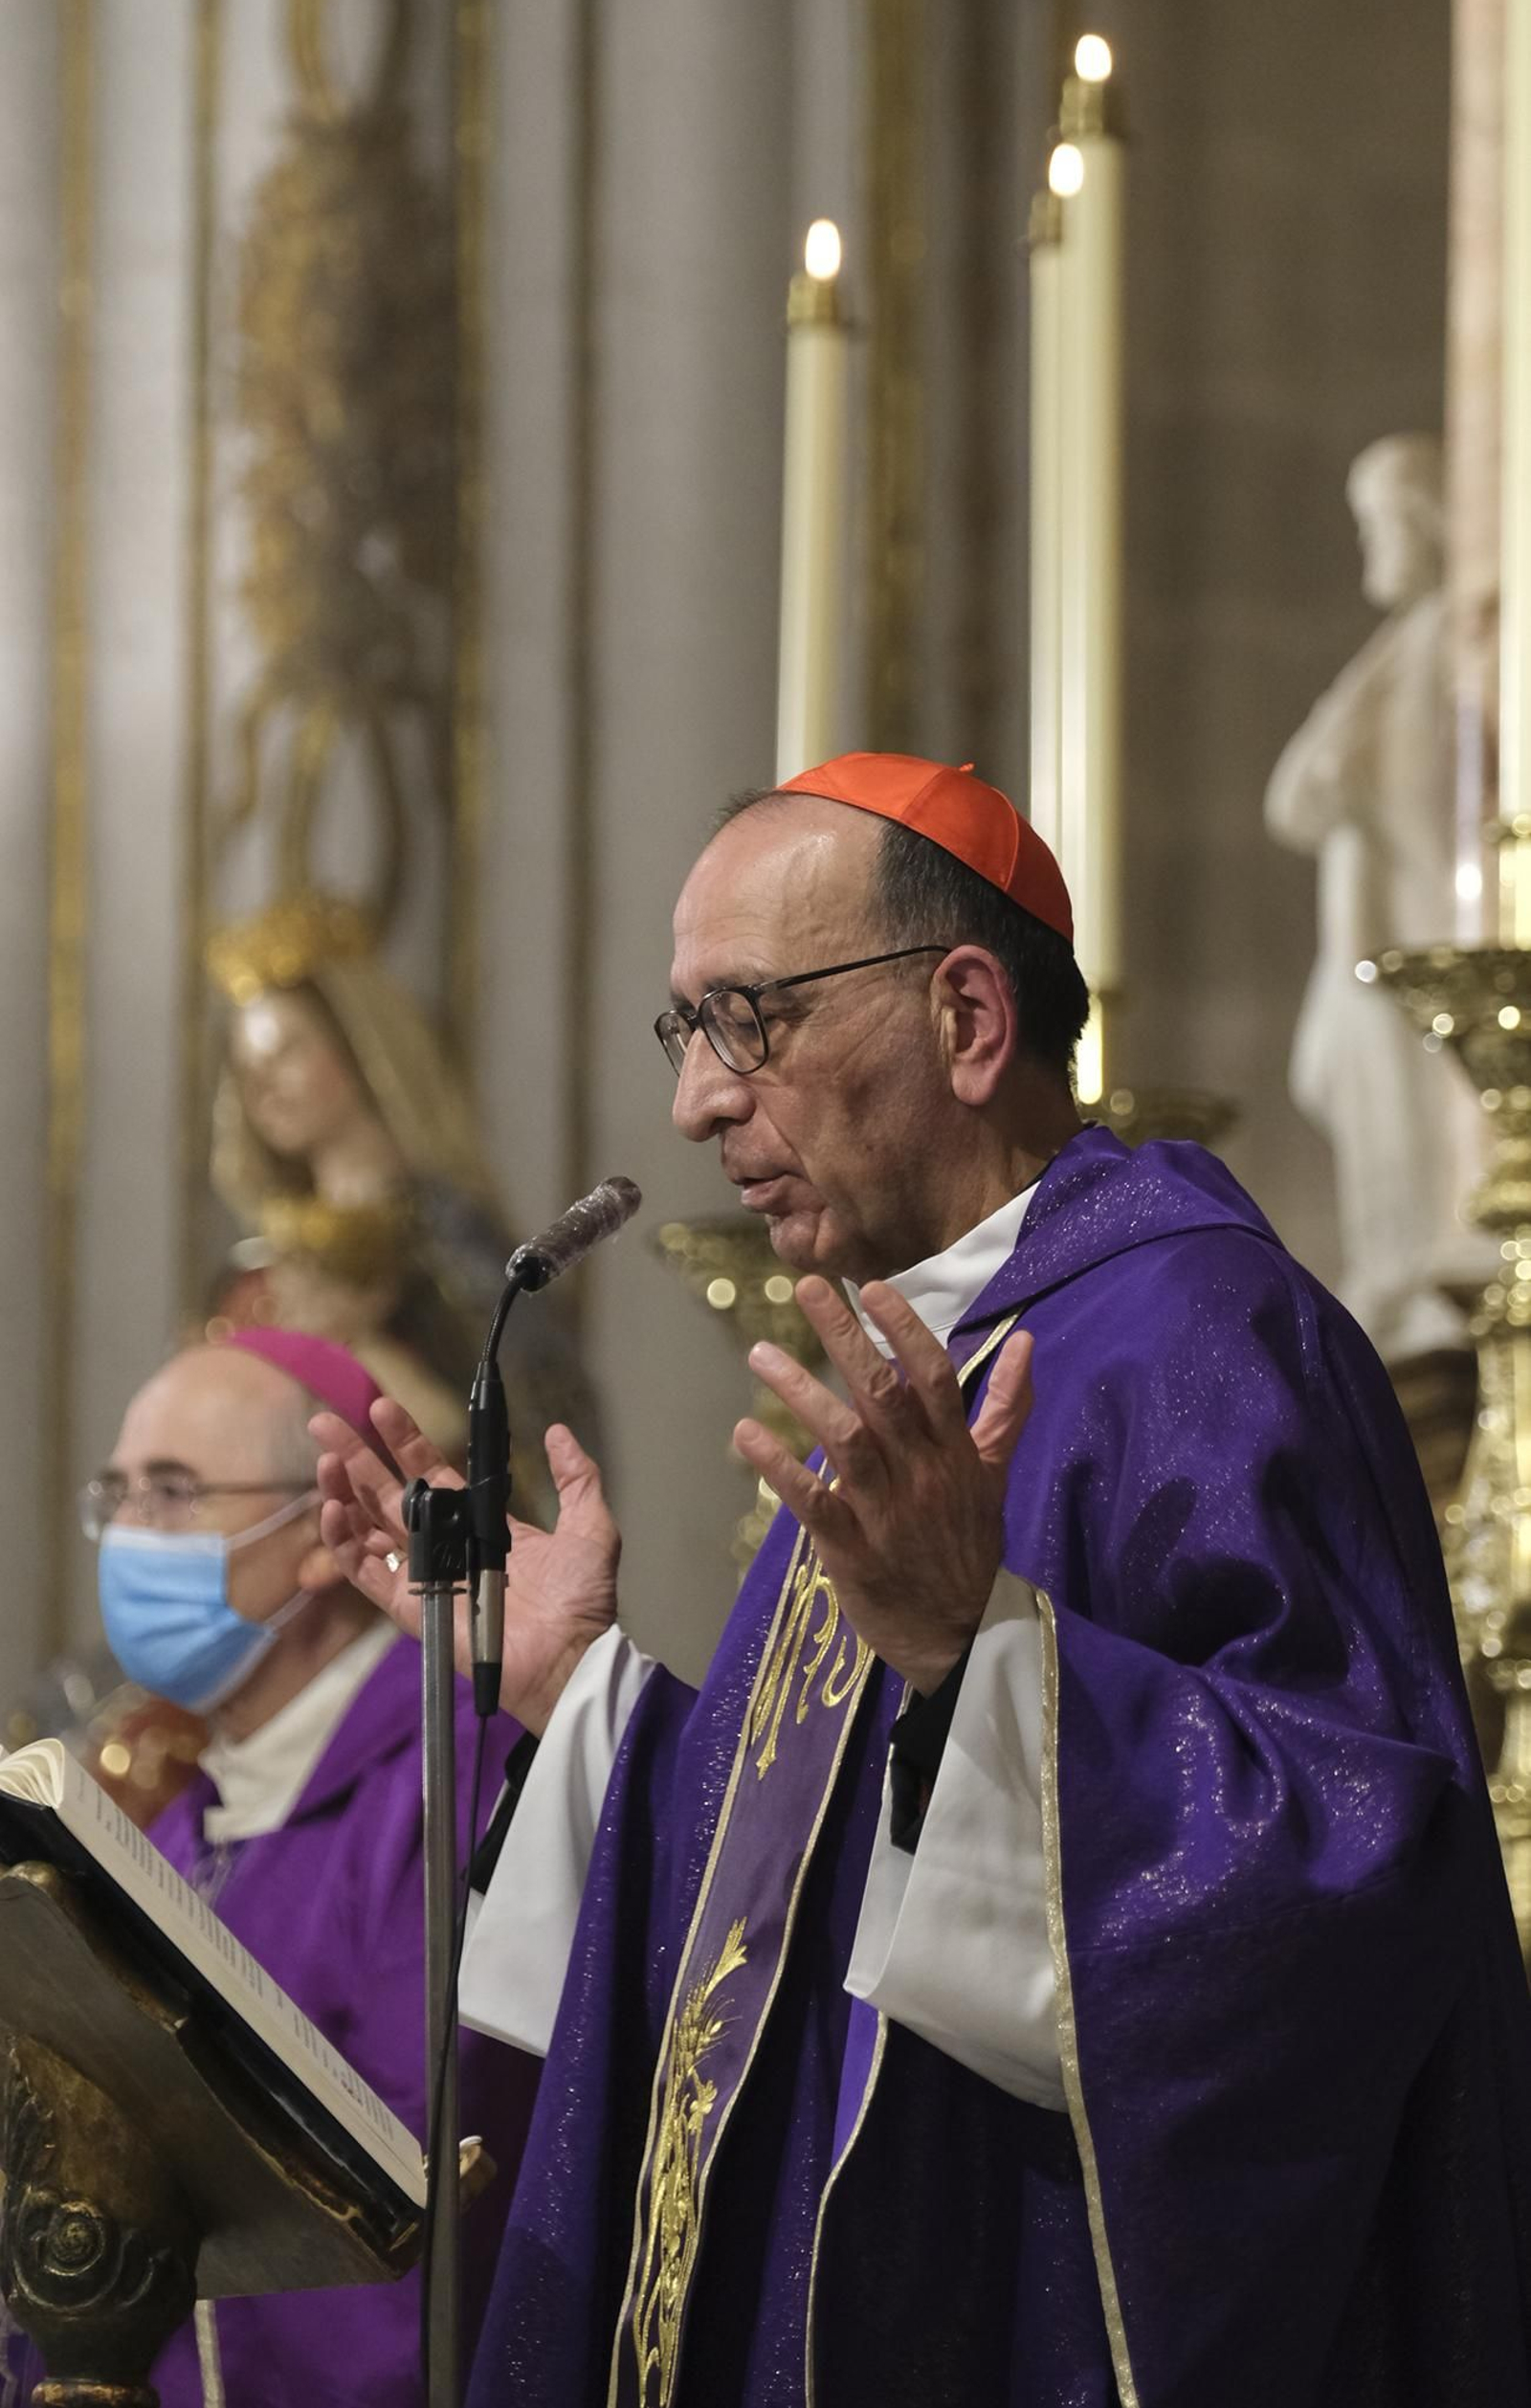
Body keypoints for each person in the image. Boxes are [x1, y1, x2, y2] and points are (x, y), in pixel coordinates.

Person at [316, 754, 1531, 2408]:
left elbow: (1348, 1904)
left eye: (750, 1016)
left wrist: (987, 1659)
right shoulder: (929, 1359)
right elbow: (779, 1936)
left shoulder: (1192, 1339)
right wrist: (575, 1693)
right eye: (690, 1031)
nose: (698, 1104)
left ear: (967, 1017)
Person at [79, 1326, 538, 2408]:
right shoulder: (187, 1818)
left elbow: (413, 2198)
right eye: (122, 1492)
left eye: (177, 1489)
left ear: (322, 1532)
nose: (131, 1537)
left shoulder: (455, 1780)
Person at [207, 890, 596, 1496]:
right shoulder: (262, 1260)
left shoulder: (445, 1234)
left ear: (356, 1046)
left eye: (285, 1053)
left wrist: (351, 1341)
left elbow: (526, 1417)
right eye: (246, 1067)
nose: (265, 1088)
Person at [1264, 434, 1488, 1362]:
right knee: (1351, 1075)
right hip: (1371, 945)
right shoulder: (1404, 645)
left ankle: (1411, 1274)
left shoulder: (1448, 641)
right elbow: (1298, 792)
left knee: (1401, 1097)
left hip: (1414, 938)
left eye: (1383, 524)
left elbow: (1383, 787)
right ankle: (1398, 1272)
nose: (1376, 547)